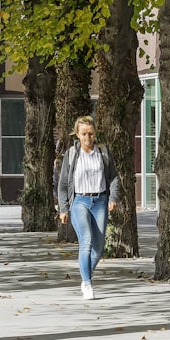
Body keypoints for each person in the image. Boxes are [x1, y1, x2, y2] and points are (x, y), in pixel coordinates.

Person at [56, 116, 119, 300]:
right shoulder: (71, 154)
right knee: (87, 240)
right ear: (77, 134)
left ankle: (85, 278)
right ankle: (88, 284)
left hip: (100, 201)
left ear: (95, 133)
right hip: (79, 202)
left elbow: (114, 178)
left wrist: (113, 197)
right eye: (83, 134)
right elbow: (63, 185)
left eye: (90, 134)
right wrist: (63, 209)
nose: (87, 138)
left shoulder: (103, 152)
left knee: (99, 249)